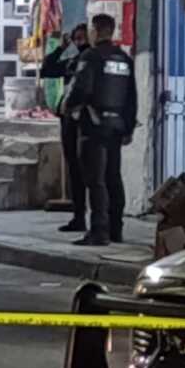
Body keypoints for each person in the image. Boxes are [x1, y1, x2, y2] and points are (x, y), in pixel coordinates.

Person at [62, 13, 138, 247]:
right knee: (113, 177)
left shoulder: (91, 57)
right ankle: (116, 229)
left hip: (93, 125)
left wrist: (69, 106)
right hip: (116, 125)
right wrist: (128, 126)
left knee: (95, 180)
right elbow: (131, 97)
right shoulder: (124, 59)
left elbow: (81, 89)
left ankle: (98, 231)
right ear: (112, 31)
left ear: (95, 31)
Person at [39, 23, 90, 232]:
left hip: (85, 124)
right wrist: (61, 47)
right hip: (69, 122)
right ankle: (79, 217)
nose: (79, 43)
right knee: (75, 173)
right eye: (76, 39)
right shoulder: (74, 61)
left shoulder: (91, 61)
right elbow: (47, 70)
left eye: (82, 38)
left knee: (92, 175)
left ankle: (101, 223)